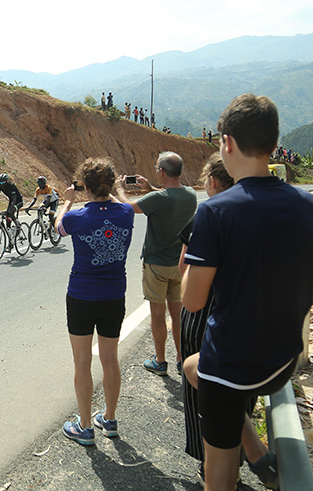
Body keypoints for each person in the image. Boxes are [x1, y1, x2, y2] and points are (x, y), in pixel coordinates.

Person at [181, 94, 313, 491]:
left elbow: (192, 301)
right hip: (282, 361)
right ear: (272, 143)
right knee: (192, 368)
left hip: (231, 368)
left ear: (227, 143)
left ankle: (248, 456)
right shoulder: (312, 207)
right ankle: (258, 454)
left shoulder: (215, 212)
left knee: (219, 476)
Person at [177, 153, 254, 485]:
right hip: (245, 315)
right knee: (240, 387)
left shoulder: (207, 214)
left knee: (202, 391)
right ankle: (236, 461)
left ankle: (211, 467)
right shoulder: (255, 212)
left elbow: (185, 269)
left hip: (205, 314)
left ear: (211, 182)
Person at [56, 157, 134, 445]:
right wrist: (113, 191)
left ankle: (85, 426)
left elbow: (58, 227)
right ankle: (109, 419)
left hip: (82, 296)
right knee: (110, 358)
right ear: (111, 184)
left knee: (82, 361)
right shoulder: (126, 213)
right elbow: (117, 202)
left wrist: (68, 200)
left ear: (85, 186)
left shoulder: (77, 217)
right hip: (114, 296)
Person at [114, 151, 197, 376]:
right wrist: (150, 188)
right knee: (177, 314)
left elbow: (128, 207)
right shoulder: (191, 195)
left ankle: (160, 361)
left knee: (158, 315)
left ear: (161, 172)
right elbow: (169, 197)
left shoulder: (158, 199)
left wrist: (120, 189)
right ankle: (181, 359)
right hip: (180, 265)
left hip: (156, 265)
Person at [0, 173, 24, 249]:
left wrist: (9, 210)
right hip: (11, 201)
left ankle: (17, 225)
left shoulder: (11, 186)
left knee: (10, 213)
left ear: (6, 181)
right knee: (7, 224)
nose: (1, 184)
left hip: (18, 201)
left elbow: (14, 199)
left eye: (3, 182)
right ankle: (11, 242)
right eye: (0, 182)